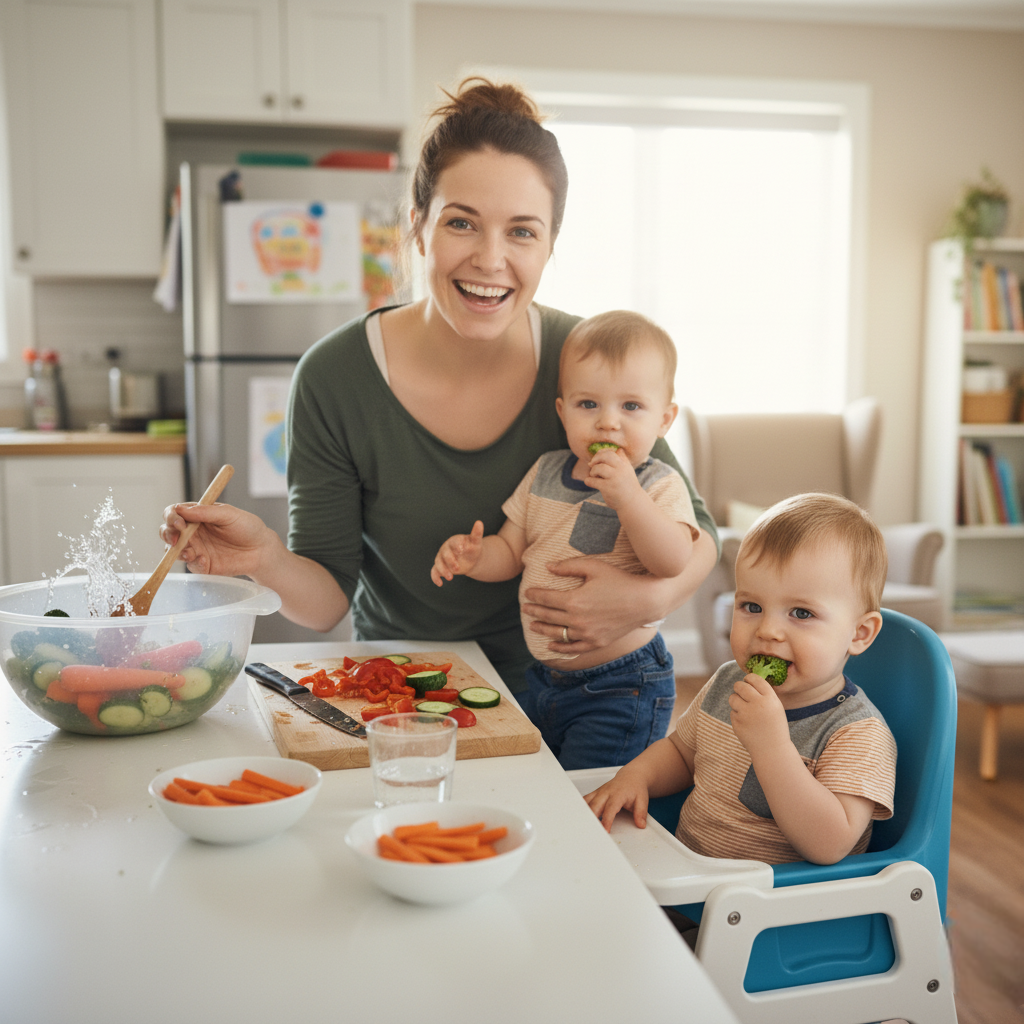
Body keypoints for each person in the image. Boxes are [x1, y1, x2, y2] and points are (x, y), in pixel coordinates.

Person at [160, 76, 719, 700]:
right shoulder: (334, 377)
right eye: (462, 223)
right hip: (403, 690)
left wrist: (646, 601)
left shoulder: (582, 361)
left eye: (522, 231)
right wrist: (263, 555)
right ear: (418, 226)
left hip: (569, 690)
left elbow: (697, 533)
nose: (490, 259)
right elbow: (325, 602)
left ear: (550, 246)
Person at [431, 310, 700, 768]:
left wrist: (629, 498)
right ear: (562, 411)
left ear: (664, 419)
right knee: (551, 783)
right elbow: (511, 552)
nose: (608, 423)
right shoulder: (545, 472)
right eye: (588, 404)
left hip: (623, 684)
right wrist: (474, 557)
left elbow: (672, 561)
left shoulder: (658, 484)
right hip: (545, 679)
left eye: (631, 407)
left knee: (596, 794)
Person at [585, 492, 897, 879]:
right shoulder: (728, 681)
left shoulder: (857, 733)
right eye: (752, 607)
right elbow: (681, 753)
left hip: (773, 904)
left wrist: (771, 746)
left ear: (859, 633)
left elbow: (829, 845)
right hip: (688, 877)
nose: (768, 630)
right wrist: (636, 777)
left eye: (801, 613)